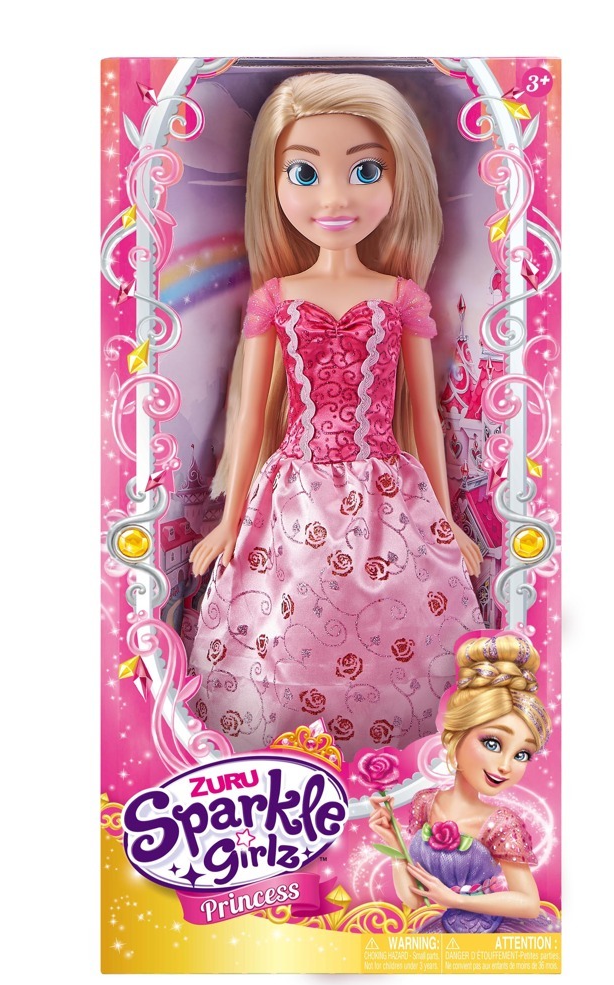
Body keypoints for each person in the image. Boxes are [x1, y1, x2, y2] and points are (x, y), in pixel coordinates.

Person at [186, 73, 484, 758]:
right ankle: (283, 755)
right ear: (274, 184)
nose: (334, 199)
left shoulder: (400, 298)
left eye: (365, 171)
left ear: (400, 179)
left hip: (388, 492)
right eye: (304, 174)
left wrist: (445, 522)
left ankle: (397, 764)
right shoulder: (277, 298)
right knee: (287, 618)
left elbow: (426, 419)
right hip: (291, 493)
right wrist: (230, 522)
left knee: (395, 617)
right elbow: (252, 422)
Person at [368, 634, 559, 932]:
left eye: (522, 754)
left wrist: (455, 900)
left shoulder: (501, 823)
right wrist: (393, 843)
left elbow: (528, 903)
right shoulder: (425, 803)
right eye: (492, 743)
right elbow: (415, 900)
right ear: (455, 737)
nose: (506, 766)